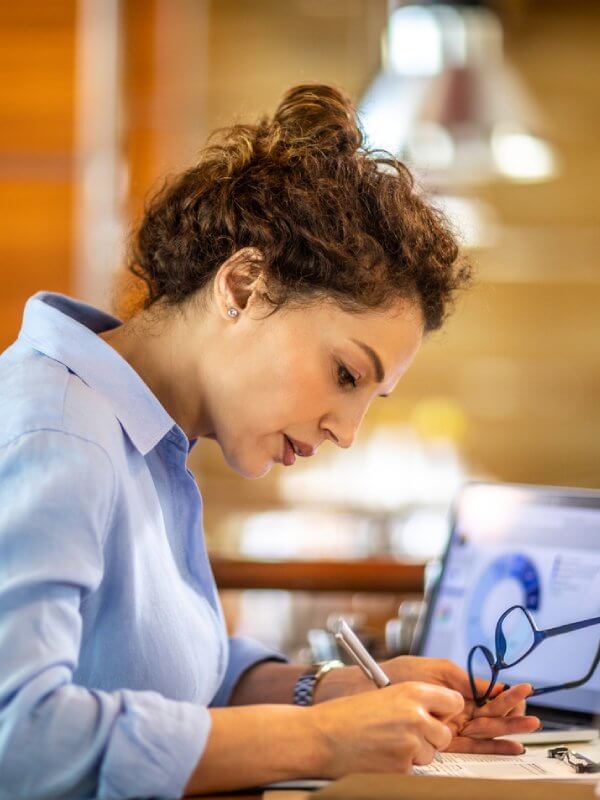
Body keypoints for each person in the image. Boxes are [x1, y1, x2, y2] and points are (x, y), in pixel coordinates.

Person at [0, 84, 540, 799]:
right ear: (245, 285)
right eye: (346, 374)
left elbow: (174, 678)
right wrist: (321, 739)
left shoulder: (148, 442)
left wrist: (342, 692)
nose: (346, 434)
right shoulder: (58, 432)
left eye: (369, 401)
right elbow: (21, 737)